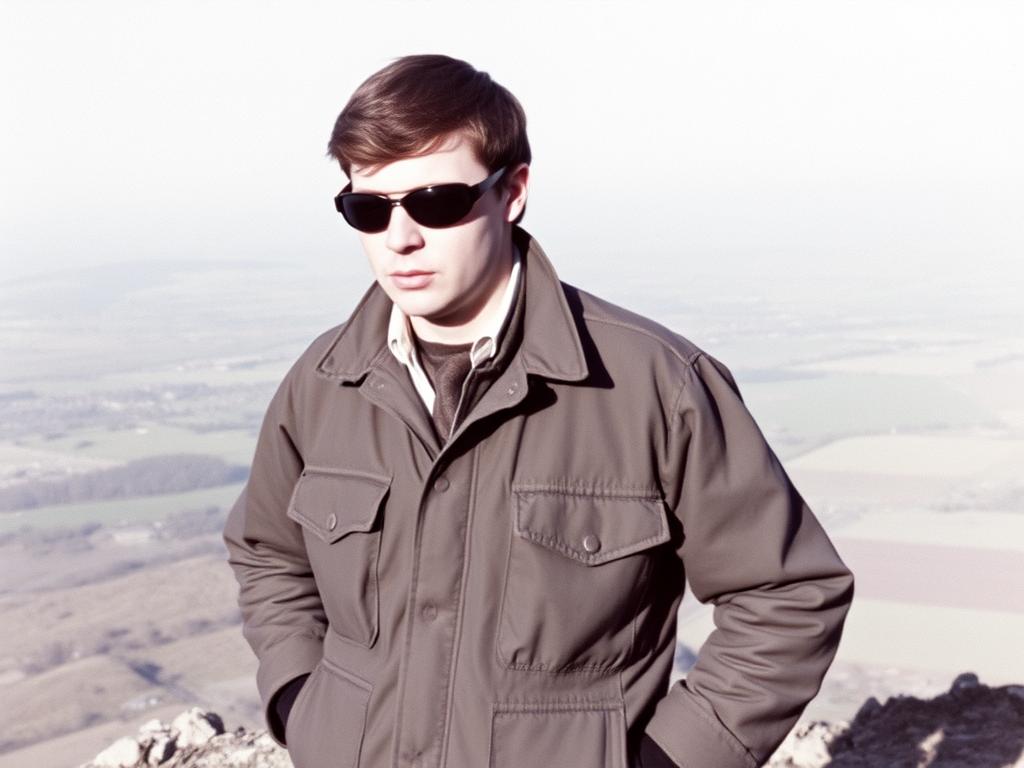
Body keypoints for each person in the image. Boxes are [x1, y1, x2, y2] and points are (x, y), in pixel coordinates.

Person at [222, 54, 855, 768]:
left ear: (513, 191)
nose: (399, 237)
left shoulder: (655, 385)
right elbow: (267, 551)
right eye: (368, 209)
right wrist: (301, 700)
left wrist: (670, 760)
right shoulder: (323, 383)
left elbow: (788, 591)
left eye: (435, 201)